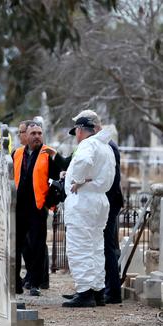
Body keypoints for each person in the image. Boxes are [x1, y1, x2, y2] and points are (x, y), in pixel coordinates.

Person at [62, 110, 124, 305]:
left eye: (77, 131)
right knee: (96, 247)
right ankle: (97, 290)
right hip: (99, 199)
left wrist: (78, 179)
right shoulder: (105, 146)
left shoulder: (88, 144)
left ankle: (84, 291)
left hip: (84, 200)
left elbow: (82, 161)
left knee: (80, 247)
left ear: (81, 130)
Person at [12, 121, 64, 296]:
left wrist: (48, 203)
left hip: (38, 207)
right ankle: (16, 282)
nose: (36, 136)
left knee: (37, 246)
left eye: (39, 133)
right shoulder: (17, 153)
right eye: (33, 133)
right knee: (17, 245)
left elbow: (57, 182)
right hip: (19, 207)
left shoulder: (47, 154)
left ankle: (35, 283)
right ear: (25, 135)